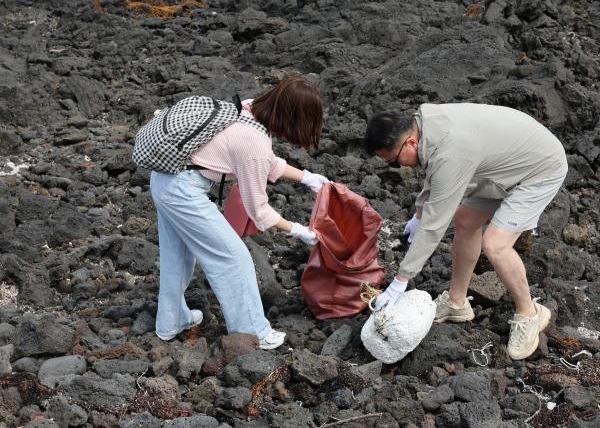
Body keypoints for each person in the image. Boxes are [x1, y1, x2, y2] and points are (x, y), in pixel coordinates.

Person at [364, 103, 568, 360]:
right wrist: (418, 212)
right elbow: (434, 171)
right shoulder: (426, 123)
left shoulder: (451, 152)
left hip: (539, 168)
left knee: (495, 244)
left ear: (411, 143)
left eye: (393, 161)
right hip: (501, 164)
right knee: (466, 219)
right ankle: (456, 303)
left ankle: (530, 313)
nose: (398, 167)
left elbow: (434, 225)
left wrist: (400, 281)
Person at [150, 76, 329, 349]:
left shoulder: (247, 108)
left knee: (178, 257)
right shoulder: (254, 141)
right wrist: (298, 231)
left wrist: (306, 177)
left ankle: (170, 322)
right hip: (181, 191)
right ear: (292, 118)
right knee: (233, 258)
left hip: (164, 178)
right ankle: (253, 333)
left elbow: (262, 161)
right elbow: (258, 210)